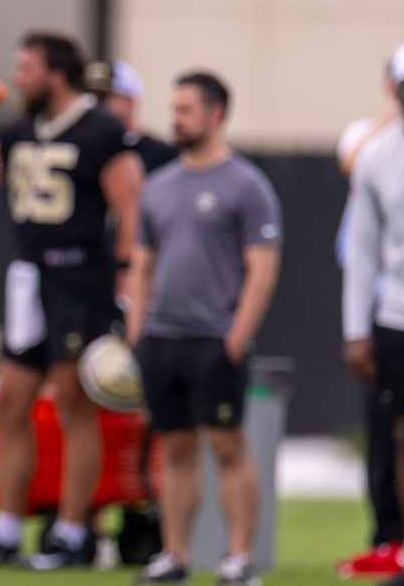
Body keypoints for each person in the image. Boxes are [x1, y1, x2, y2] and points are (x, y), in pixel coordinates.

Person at [0, 33, 144, 569]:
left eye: (27, 68)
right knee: (11, 401)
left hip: (80, 282)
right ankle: (5, 530)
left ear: (56, 74)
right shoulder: (22, 130)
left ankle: (73, 533)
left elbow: (132, 211)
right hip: (28, 280)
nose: (19, 78)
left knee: (75, 406)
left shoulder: (100, 131)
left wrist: (126, 283)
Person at [126, 71, 281, 585]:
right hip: (162, 340)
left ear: (216, 114)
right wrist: (137, 333)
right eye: (174, 109)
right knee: (175, 449)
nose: (175, 119)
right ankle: (175, 555)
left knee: (228, 447)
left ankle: (239, 558)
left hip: (214, 340)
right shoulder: (158, 186)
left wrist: (236, 337)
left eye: (186, 110)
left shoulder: (246, 185)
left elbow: (263, 268)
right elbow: (142, 266)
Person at [344, 38, 404, 586]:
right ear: (397, 94)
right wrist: (356, 330)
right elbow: (361, 250)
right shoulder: (376, 156)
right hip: (403, 318)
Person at [333, 58, 404, 579]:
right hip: (386, 310)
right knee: (387, 433)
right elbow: (354, 158)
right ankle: (388, 539)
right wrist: (398, 108)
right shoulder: (371, 138)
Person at [85, 59, 179, 174]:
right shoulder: (82, 151)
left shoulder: (165, 156)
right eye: (88, 96)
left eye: (103, 97)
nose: (94, 104)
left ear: (129, 100)